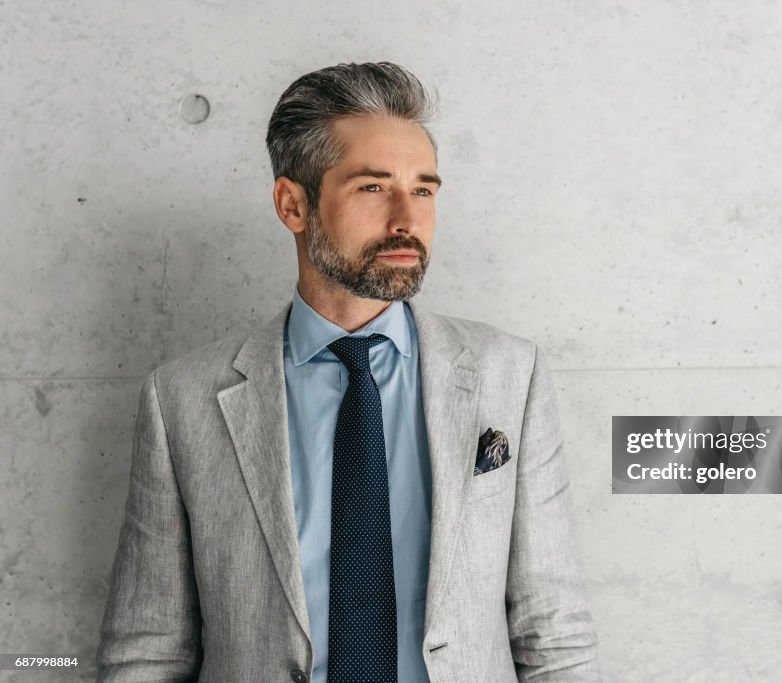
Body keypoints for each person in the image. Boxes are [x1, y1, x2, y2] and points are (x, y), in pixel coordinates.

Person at [95, 62, 599, 683]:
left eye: (423, 189)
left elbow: (554, 635)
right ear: (293, 204)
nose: (406, 221)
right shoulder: (183, 400)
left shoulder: (508, 375)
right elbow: (148, 652)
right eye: (372, 187)